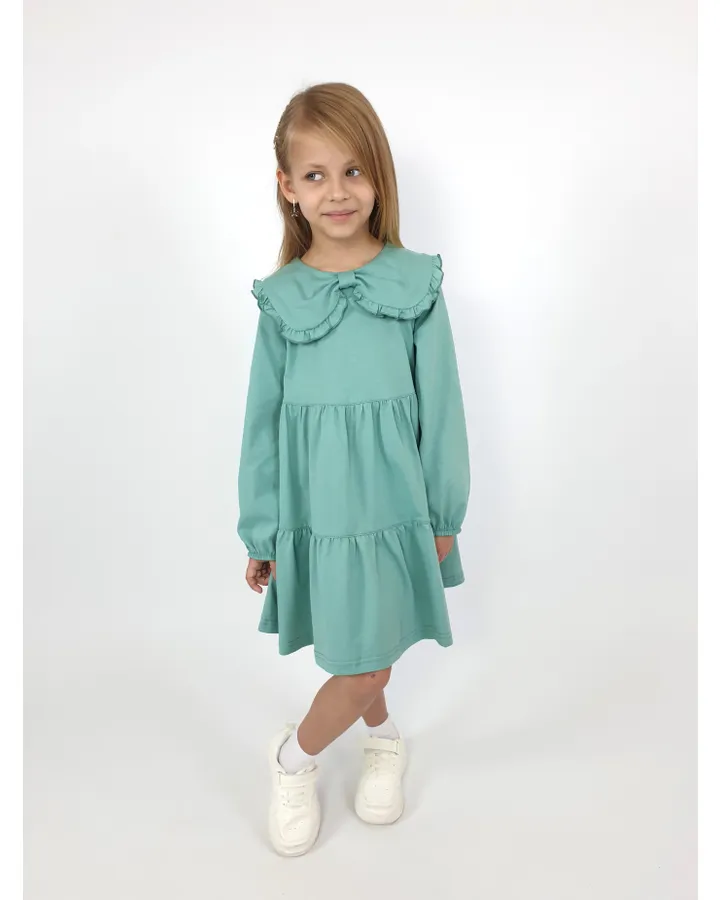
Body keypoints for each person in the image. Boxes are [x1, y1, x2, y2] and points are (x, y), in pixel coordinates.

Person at [237, 82, 470, 857]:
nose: (336, 192)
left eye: (353, 171)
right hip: (320, 515)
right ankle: (350, 746)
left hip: (398, 510)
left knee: (370, 658)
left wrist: (444, 512)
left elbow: (442, 406)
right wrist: (262, 529)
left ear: (379, 177)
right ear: (287, 187)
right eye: (315, 175)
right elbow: (262, 425)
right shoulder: (282, 301)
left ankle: (304, 754)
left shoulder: (414, 284)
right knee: (361, 656)